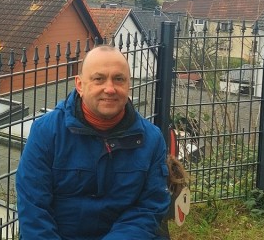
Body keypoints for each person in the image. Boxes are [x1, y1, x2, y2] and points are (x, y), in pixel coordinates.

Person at [16, 45, 171, 239]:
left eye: (119, 79)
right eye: (99, 79)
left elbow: (149, 208)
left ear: (128, 84)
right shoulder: (46, 133)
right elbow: (33, 209)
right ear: (79, 85)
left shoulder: (152, 140)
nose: (110, 88)